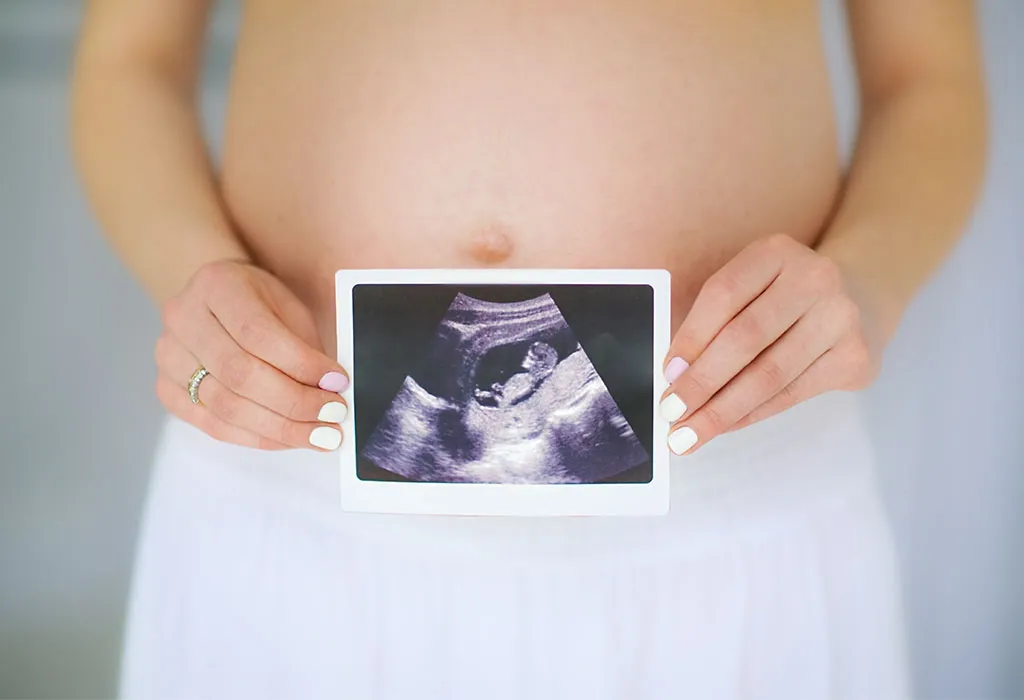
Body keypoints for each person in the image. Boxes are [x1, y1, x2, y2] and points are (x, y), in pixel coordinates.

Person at [70, 0, 987, 697]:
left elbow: (927, 80)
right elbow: (129, 61)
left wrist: (870, 279)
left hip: (741, 520)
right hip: (285, 518)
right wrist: (193, 280)